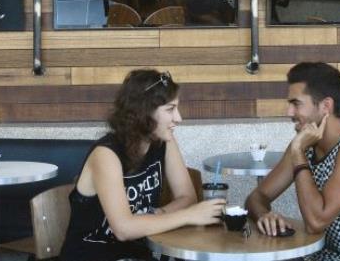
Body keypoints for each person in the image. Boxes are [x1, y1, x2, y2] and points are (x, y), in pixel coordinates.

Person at [60, 70, 226, 261]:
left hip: (136, 254)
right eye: (170, 109)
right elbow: (123, 229)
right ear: (144, 113)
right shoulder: (106, 154)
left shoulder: (164, 141)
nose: (178, 118)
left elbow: (187, 197)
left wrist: (158, 214)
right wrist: (188, 216)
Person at [245, 62, 340, 261]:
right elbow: (256, 197)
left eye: (296, 103)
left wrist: (298, 153)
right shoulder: (303, 145)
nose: (288, 112)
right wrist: (264, 215)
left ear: (326, 106)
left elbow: (316, 222)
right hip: (322, 256)